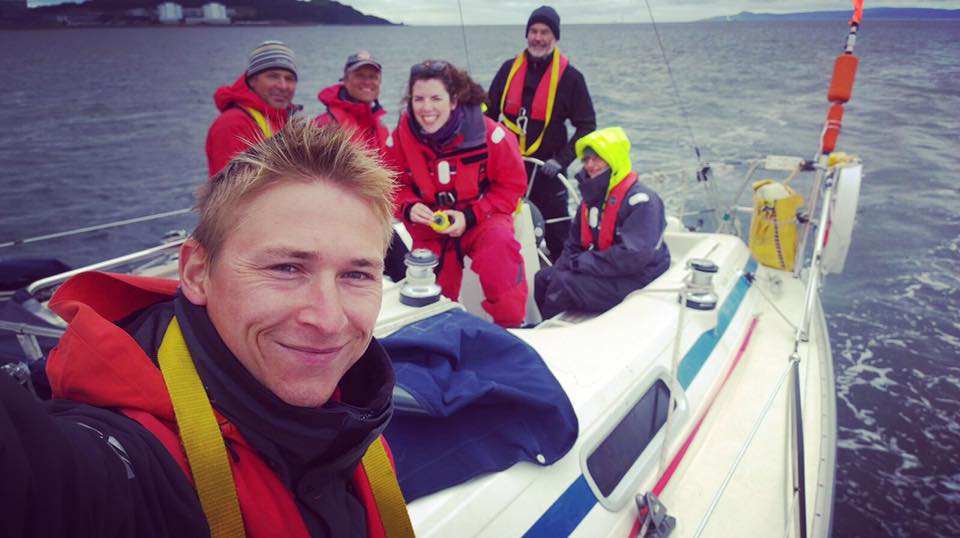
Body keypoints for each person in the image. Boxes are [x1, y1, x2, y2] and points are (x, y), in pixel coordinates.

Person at [0, 120, 410, 537]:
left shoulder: (354, 410)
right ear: (197, 273)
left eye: (357, 275)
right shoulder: (119, 464)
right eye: (286, 268)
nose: (328, 320)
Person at [386, 60, 529, 328]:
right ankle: (438, 336)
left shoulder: (491, 136)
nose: (426, 108)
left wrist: (470, 216)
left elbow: (511, 186)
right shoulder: (400, 139)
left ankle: (511, 328)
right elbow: (391, 185)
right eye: (419, 99)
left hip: (481, 219)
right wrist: (409, 207)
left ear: (453, 101)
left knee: (500, 252)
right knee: (428, 297)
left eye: (436, 98)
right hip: (431, 226)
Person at [486, 5, 596, 262]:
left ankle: (564, 276)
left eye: (544, 32)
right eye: (533, 31)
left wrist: (561, 160)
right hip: (507, 168)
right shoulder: (508, 70)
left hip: (548, 173)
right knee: (501, 227)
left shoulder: (571, 78)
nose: (538, 37)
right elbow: (488, 114)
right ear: (527, 34)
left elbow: (587, 125)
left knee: (559, 234)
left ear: (555, 37)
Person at [534, 127, 671, 319]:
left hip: (640, 277)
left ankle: (547, 333)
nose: (590, 165)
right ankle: (544, 324)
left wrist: (579, 264)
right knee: (543, 278)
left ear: (613, 159)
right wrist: (564, 266)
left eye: (598, 158)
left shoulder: (642, 202)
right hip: (608, 270)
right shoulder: (591, 199)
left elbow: (633, 257)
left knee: (564, 283)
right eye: (586, 159)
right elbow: (573, 244)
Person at [205, 40, 301, 177]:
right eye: (273, 76)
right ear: (252, 81)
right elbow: (232, 186)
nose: (283, 86)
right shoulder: (232, 124)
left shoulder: (283, 121)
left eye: (289, 78)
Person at [315, 50, 389, 151]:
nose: (367, 82)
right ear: (345, 79)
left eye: (372, 77)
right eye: (359, 75)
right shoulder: (324, 125)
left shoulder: (381, 127)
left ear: (379, 82)